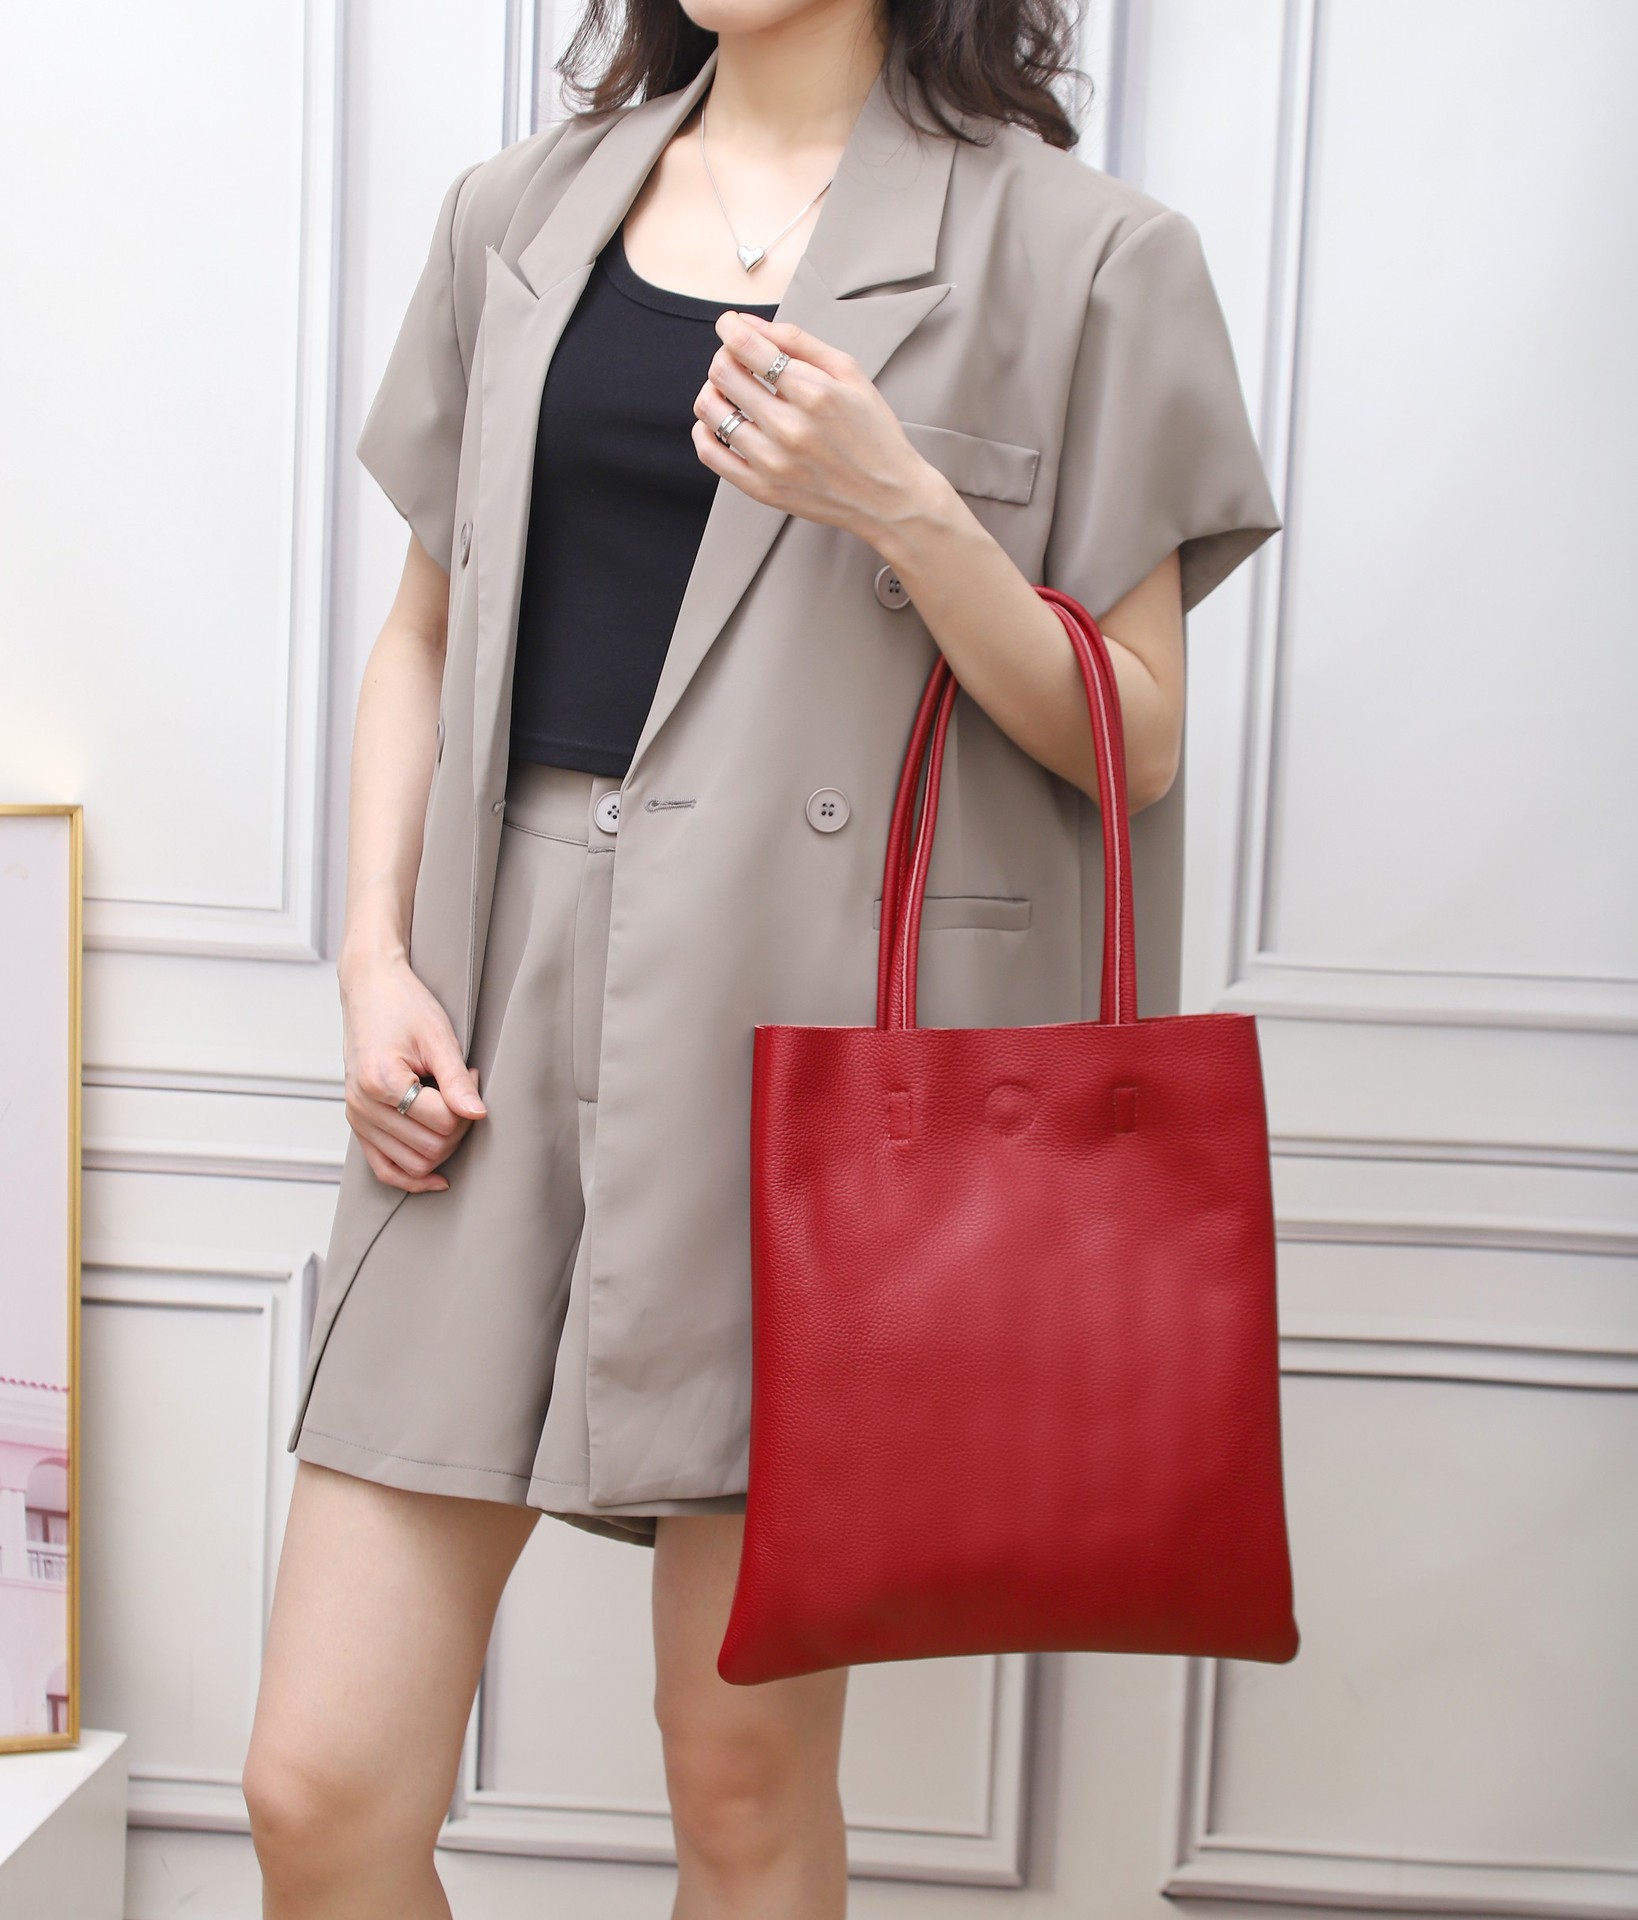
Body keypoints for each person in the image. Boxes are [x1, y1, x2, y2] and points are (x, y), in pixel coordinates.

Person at [242, 1, 1282, 1912]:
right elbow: (423, 630)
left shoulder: (1087, 255)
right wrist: (371, 957)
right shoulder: (514, 214)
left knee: (736, 1785)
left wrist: (902, 501)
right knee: (317, 1792)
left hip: (802, 1056)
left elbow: (1128, 734)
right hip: (485, 1035)